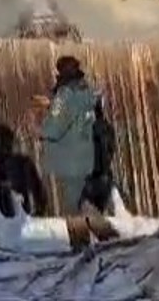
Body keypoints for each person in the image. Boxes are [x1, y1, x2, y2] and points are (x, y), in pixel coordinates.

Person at [35, 56, 97, 217]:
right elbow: (75, 111)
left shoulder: (64, 94)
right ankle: (97, 235)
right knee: (86, 202)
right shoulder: (87, 92)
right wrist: (52, 103)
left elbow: (55, 126)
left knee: (72, 207)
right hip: (87, 155)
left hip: (70, 158)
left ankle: (80, 240)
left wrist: (39, 131)